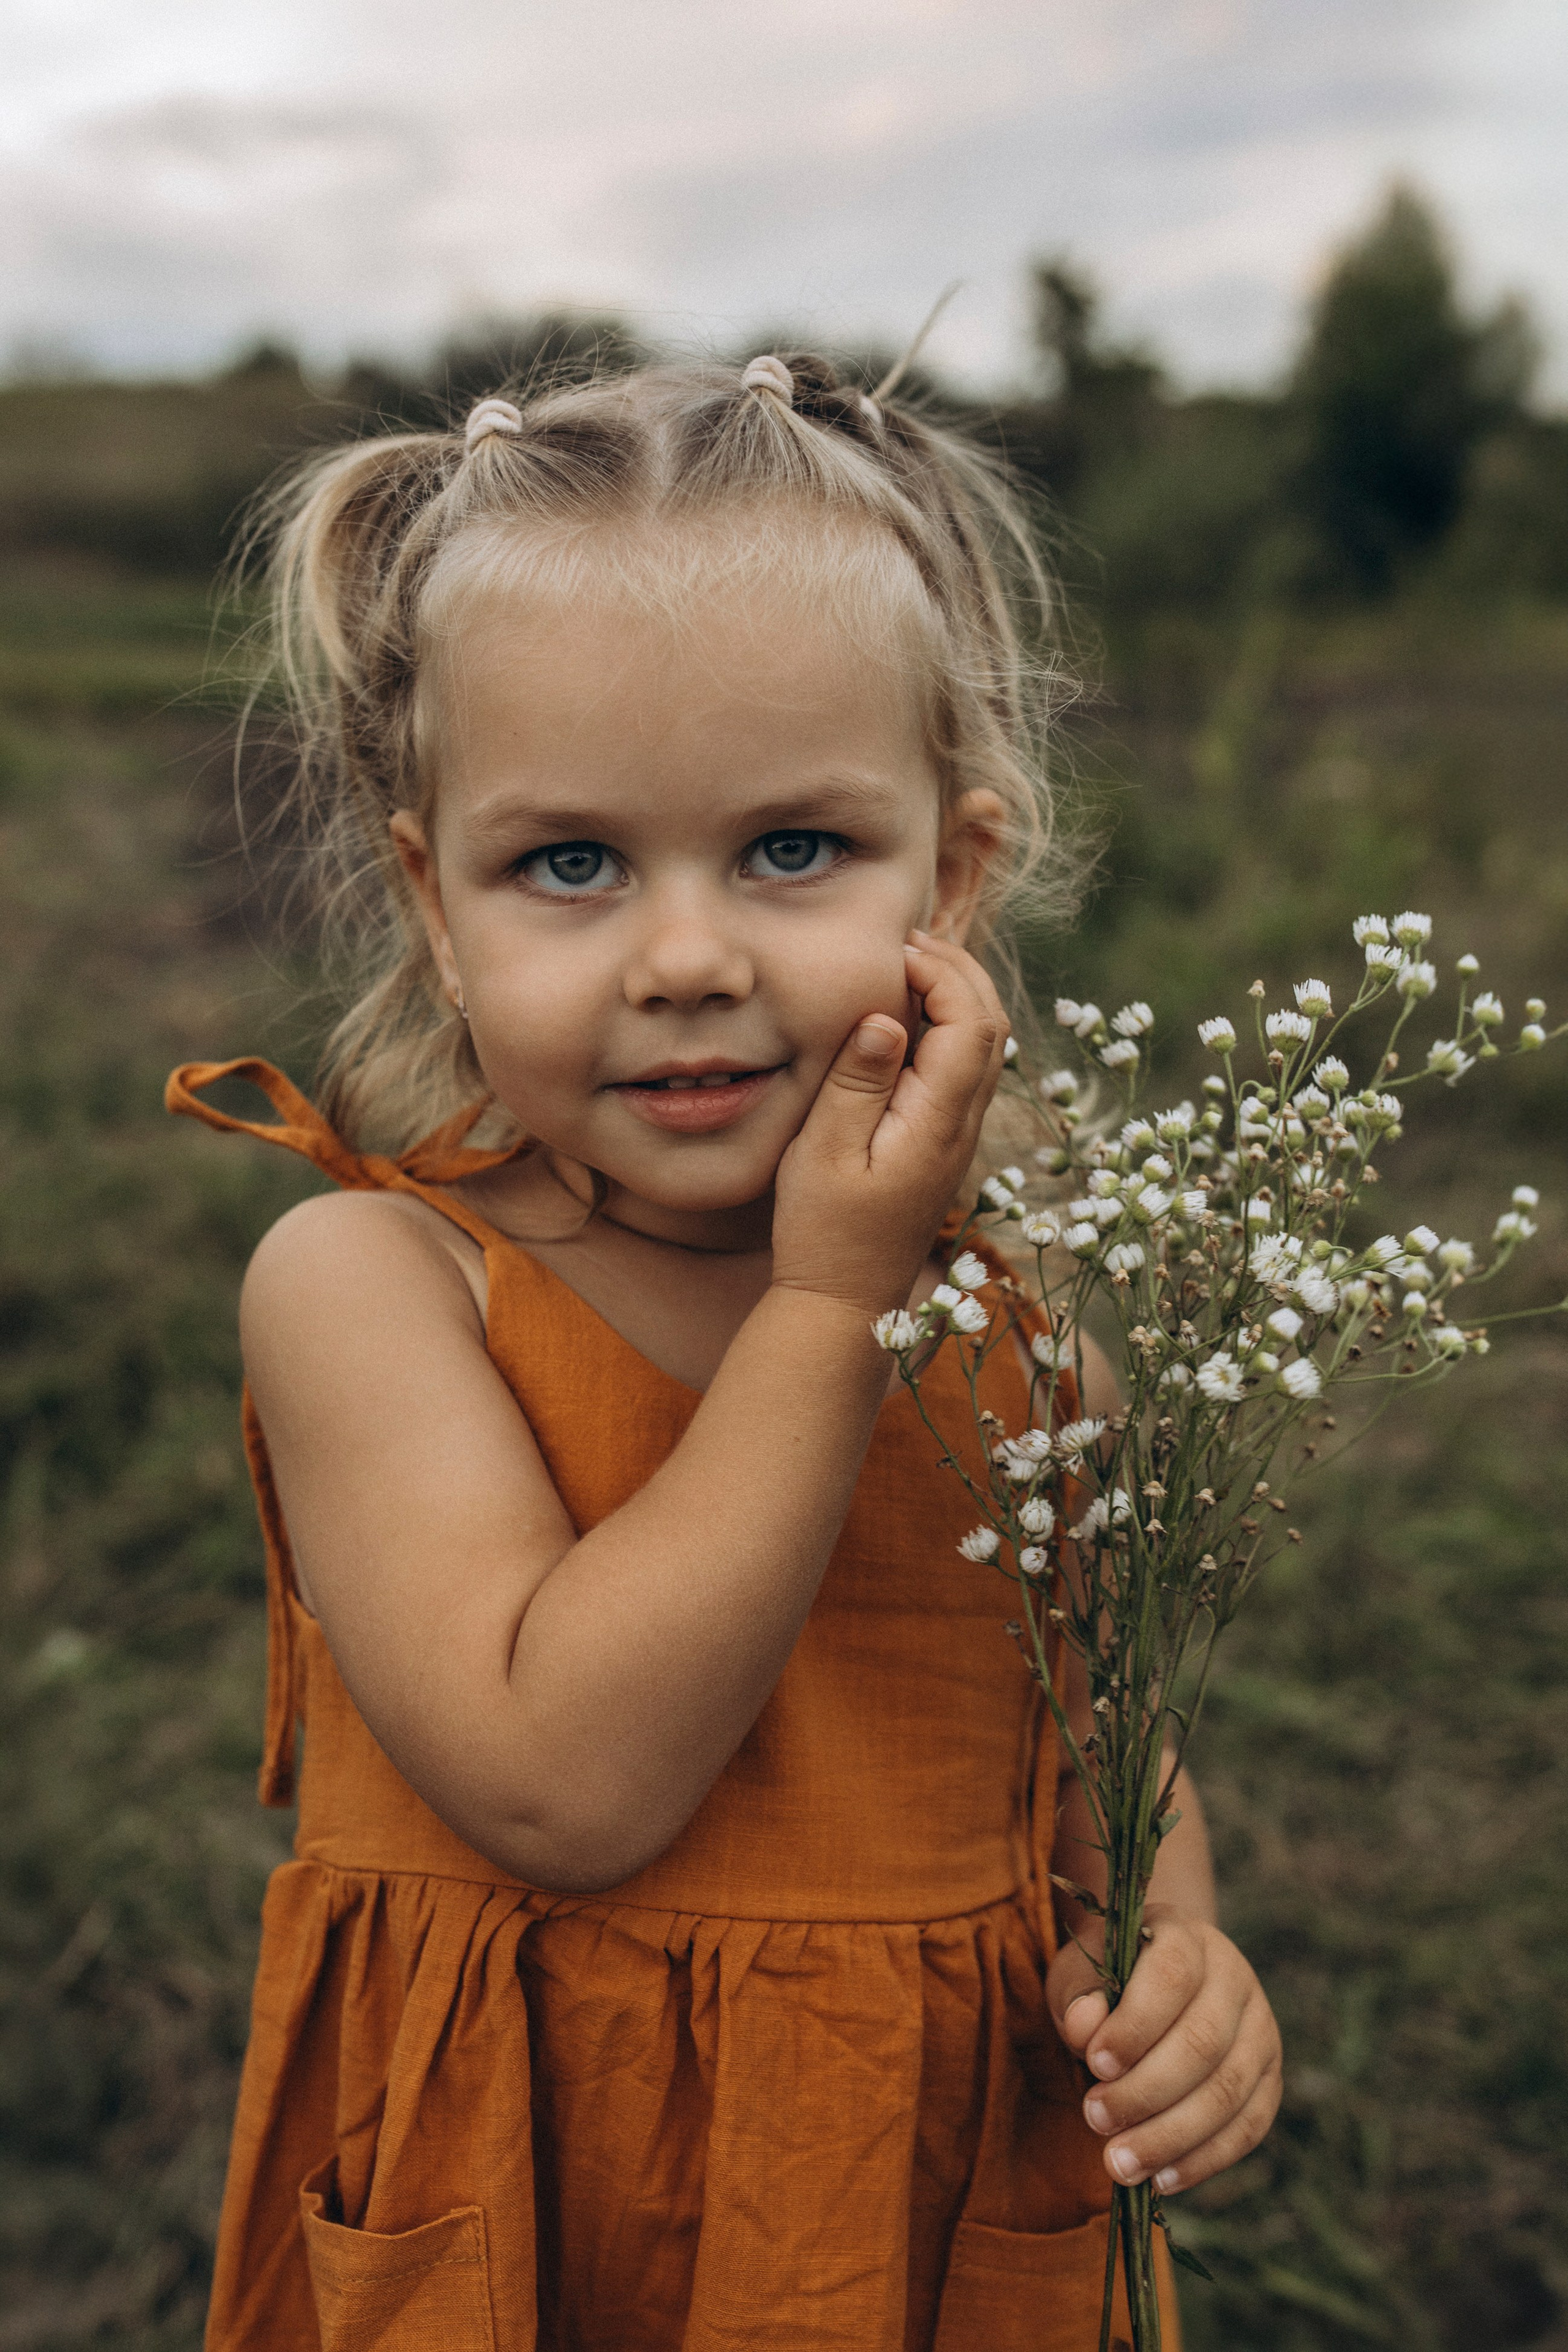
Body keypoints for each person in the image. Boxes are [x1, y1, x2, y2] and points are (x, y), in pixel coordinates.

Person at [169, 349, 1281, 2352]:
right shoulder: (374, 1284)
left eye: (790, 852)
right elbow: (559, 1783)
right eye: (570, 865)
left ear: (951, 875)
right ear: (436, 906)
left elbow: (1094, 1767)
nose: (687, 958)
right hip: (534, 2210)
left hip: (927, 2220)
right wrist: (829, 1305)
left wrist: (1180, 1950)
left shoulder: (1026, 1354)